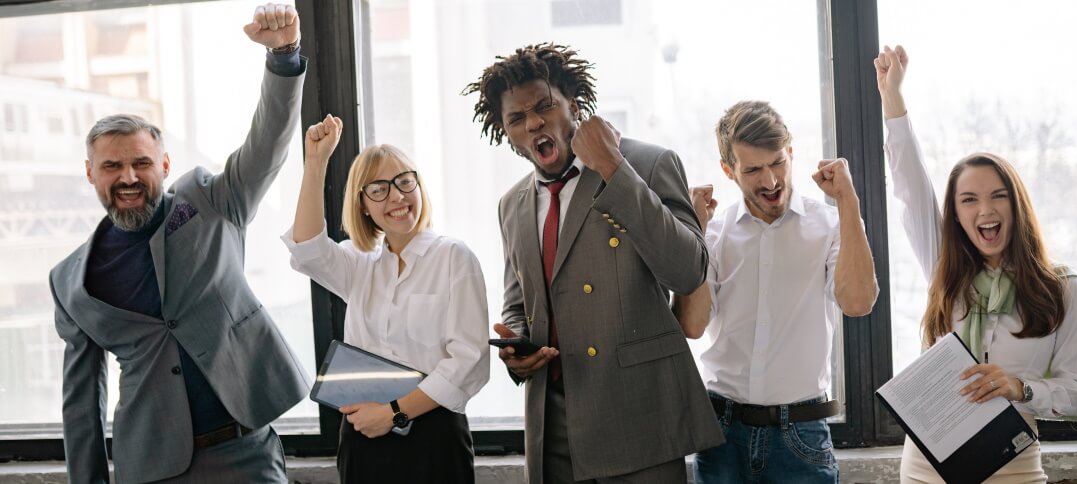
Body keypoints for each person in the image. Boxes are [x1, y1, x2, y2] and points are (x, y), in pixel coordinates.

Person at [48, 4, 309, 483]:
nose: (128, 177)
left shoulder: (211, 199)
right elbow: (82, 405)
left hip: (244, 447)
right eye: (111, 167)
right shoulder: (69, 281)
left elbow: (267, 144)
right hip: (149, 466)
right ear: (90, 173)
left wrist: (284, 56)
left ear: (164, 167)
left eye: (140, 163)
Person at [462, 43, 723, 483]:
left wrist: (613, 168)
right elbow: (518, 302)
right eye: (517, 118)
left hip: (638, 417)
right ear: (507, 133)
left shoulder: (648, 163)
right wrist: (517, 348)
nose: (534, 122)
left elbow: (687, 270)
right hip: (554, 427)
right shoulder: (512, 204)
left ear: (575, 107)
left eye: (545, 106)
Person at [877, 44, 1077, 484]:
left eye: (997, 196)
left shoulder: (1061, 288)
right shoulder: (944, 270)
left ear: (1017, 205)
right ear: (956, 214)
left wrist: (1019, 388)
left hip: (1013, 467)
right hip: (927, 465)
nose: (984, 210)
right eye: (969, 200)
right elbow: (911, 187)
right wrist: (892, 97)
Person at [673, 100, 878, 483]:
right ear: (728, 170)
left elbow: (858, 302)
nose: (769, 181)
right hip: (722, 434)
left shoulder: (830, 224)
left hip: (801, 435)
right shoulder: (714, 235)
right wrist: (693, 234)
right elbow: (693, 325)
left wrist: (848, 202)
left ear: (791, 153)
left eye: (777, 163)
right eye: (752, 170)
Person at [282, 116, 489, 483]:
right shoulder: (361, 264)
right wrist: (315, 163)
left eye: (404, 182)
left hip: (433, 436)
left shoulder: (453, 256)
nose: (396, 196)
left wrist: (394, 413)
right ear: (363, 204)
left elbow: (468, 361)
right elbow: (307, 250)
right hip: (363, 438)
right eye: (378, 188)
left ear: (419, 186)